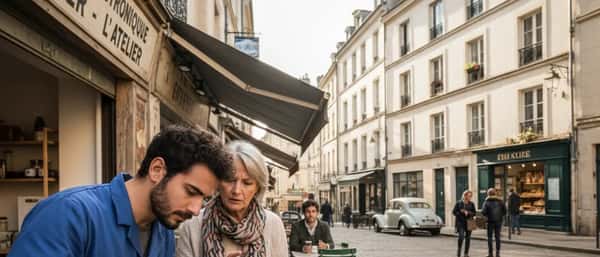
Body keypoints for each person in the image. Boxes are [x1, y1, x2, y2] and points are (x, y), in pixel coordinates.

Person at [9, 126, 233, 257]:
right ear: (157, 170)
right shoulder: (69, 214)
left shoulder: (163, 230)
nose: (196, 209)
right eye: (190, 191)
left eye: (203, 199)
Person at [176, 141, 288, 257]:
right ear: (218, 182)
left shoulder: (273, 224)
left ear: (257, 188)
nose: (236, 190)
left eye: (247, 183)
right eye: (229, 180)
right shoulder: (193, 225)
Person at [481, 188, 507, 257]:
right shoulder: (500, 201)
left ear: (488, 194)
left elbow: (483, 212)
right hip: (498, 221)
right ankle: (498, 254)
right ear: (495, 193)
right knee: (497, 237)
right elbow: (505, 211)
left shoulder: (486, 202)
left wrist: (487, 215)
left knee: (489, 237)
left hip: (490, 222)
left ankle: (490, 254)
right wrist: (500, 216)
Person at [452, 190, 476, 257]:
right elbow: (454, 212)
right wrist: (460, 212)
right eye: (469, 196)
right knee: (461, 237)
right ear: (465, 196)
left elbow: (474, 213)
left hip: (469, 222)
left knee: (468, 238)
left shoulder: (472, 204)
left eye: (471, 196)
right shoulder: (458, 203)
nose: (470, 197)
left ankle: (466, 254)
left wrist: (468, 212)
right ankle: (459, 252)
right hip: (460, 223)